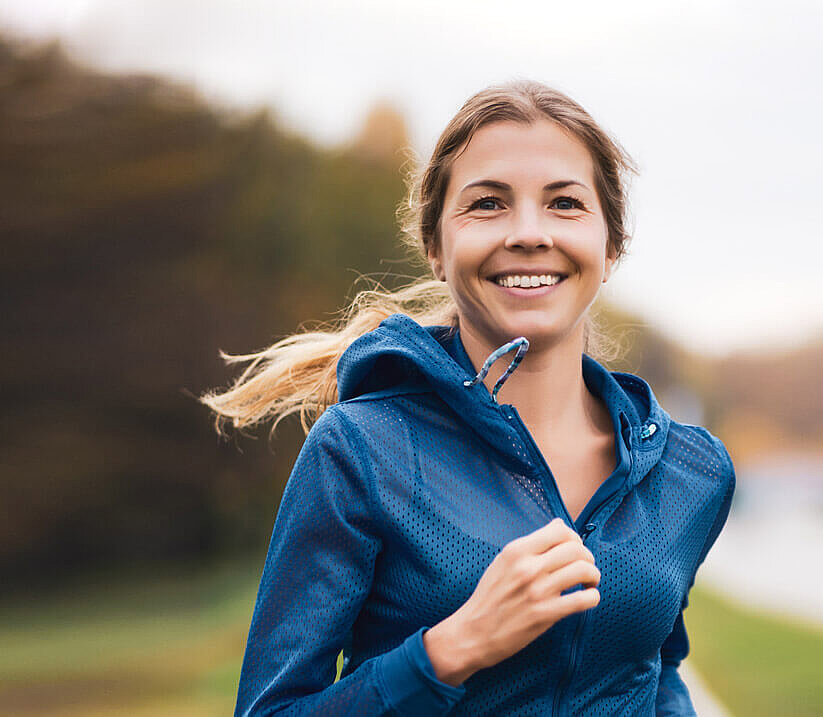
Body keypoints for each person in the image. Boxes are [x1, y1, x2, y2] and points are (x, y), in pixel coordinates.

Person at [203, 81, 737, 716]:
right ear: (435, 247)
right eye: (487, 205)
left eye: (565, 203)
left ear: (611, 244)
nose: (528, 232)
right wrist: (450, 650)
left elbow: (655, 669)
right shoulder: (360, 451)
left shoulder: (690, 470)